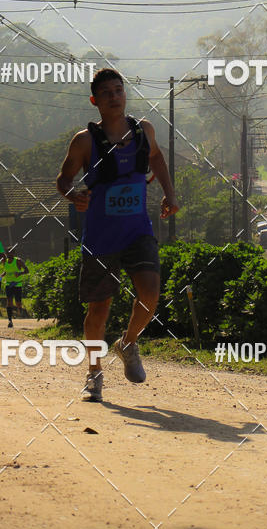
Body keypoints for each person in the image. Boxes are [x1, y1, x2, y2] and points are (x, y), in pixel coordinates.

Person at [57, 68, 179, 402]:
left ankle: (128, 342)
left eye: (119, 90)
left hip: (138, 230)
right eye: (107, 92)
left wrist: (169, 194)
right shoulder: (84, 141)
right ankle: (94, 373)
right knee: (99, 311)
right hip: (100, 238)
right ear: (95, 100)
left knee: (150, 295)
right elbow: (63, 179)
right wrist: (73, 196)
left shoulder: (144, 131)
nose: (115, 96)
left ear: (126, 95)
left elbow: (157, 158)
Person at [0, 250, 29, 328]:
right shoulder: (5, 262)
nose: (9, 254)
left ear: (14, 253)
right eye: (8, 253)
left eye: (11, 253)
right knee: (9, 302)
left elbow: (27, 270)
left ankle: (20, 309)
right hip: (9, 285)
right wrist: (1, 276)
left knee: (18, 302)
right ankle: (10, 320)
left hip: (17, 284)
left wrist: (20, 273)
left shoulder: (18, 261)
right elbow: (6, 271)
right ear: (6, 254)